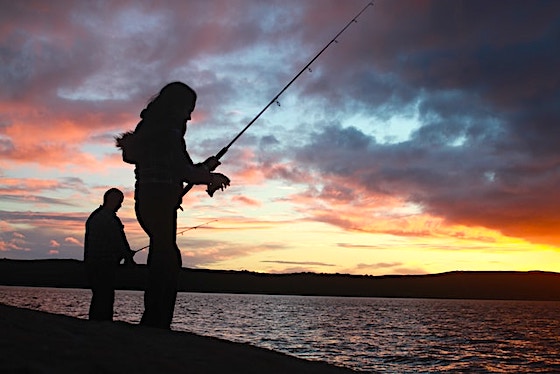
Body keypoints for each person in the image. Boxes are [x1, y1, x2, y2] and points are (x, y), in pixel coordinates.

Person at [119, 82, 230, 329]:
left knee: (163, 256)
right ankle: (157, 323)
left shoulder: (151, 129)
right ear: (176, 106)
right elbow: (182, 170)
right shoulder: (169, 133)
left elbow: (180, 167)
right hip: (159, 201)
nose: (190, 116)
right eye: (188, 108)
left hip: (148, 200)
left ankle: (153, 320)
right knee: (167, 261)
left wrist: (206, 167)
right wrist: (210, 178)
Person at [84, 188, 135, 321]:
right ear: (112, 201)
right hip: (103, 265)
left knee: (100, 296)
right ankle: (101, 323)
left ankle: (96, 323)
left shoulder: (95, 216)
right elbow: (118, 241)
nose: (120, 205)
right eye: (119, 202)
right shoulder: (108, 219)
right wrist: (127, 257)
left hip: (94, 264)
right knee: (104, 295)